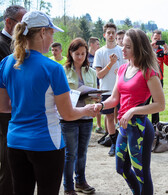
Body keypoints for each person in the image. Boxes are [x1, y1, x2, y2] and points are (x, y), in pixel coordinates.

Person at [0, 11, 97, 195]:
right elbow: (67, 114)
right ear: (43, 32)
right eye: (52, 33)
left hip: (15, 141)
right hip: (46, 143)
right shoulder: (52, 68)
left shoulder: (6, 63)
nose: (53, 38)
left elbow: (3, 106)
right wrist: (86, 110)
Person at [94, 28, 165, 195]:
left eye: (127, 47)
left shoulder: (148, 71)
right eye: (122, 46)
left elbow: (160, 105)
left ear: (138, 48)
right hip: (124, 127)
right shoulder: (122, 69)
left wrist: (133, 110)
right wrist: (101, 106)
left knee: (141, 173)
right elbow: (114, 99)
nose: (122, 50)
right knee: (121, 168)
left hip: (140, 127)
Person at [61, 38, 96, 195]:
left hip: (87, 117)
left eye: (83, 54)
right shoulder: (63, 71)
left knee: (82, 152)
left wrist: (97, 98)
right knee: (70, 153)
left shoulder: (92, 72)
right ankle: (68, 186)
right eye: (77, 54)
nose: (81, 57)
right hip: (69, 117)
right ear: (70, 53)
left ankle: (80, 181)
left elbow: (96, 93)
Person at [0, 5, 26, 195]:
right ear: (9, 22)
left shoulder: (17, 46)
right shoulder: (2, 45)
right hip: (4, 113)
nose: (25, 29)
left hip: (14, 111)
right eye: (22, 23)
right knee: (8, 163)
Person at [93, 22, 126, 156]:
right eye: (109, 33)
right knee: (109, 116)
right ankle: (113, 143)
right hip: (106, 90)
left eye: (113, 32)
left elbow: (128, 69)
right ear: (104, 35)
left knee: (123, 116)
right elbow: (99, 75)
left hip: (121, 89)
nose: (111, 35)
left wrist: (121, 72)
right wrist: (110, 64)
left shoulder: (121, 50)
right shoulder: (100, 52)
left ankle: (123, 142)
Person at [147, 29, 168, 124]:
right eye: (155, 38)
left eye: (159, 39)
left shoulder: (161, 50)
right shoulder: (146, 49)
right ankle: (143, 123)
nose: (157, 41)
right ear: (151, 38)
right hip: (146, 78)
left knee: (156, 103)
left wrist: (166, 52)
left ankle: (155, 125)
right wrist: (149, 47)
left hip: (158, 79)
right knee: (145, 102)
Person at [88, 37, 105, 134]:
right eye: (97, 44)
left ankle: (98, 126)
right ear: (92, 44)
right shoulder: (86, 56)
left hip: (98, 84)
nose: (99, 46)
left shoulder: (99, 56)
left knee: (98, 103)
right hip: (88, 84)